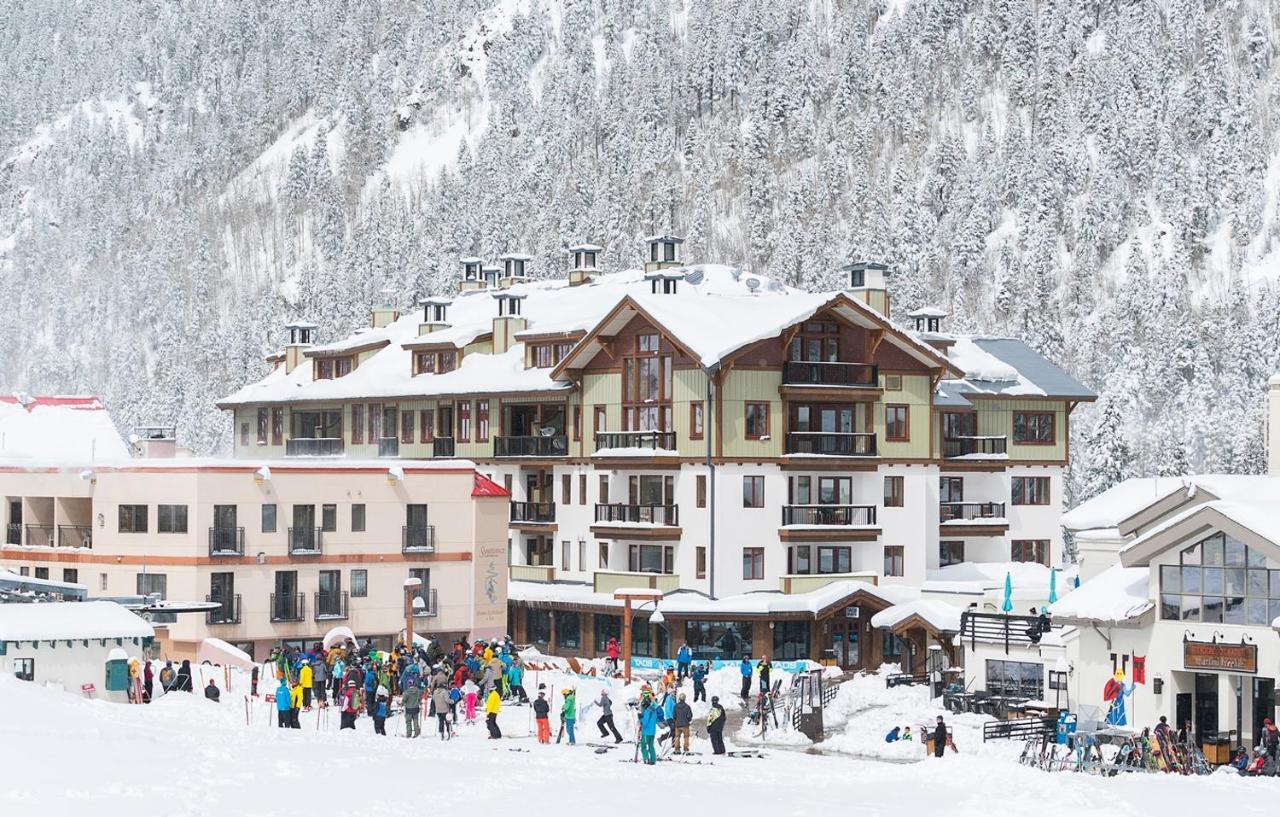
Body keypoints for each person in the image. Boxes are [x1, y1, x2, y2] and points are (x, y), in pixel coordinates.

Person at [639, 697, 662, 765]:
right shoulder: (654, 710)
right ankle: (653, 759)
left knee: (643, 746)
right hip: (652, 732)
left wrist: (640, 719)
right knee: (651, 746)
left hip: (646, 732)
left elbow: (645, 722)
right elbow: (655, 720)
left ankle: (646, 758)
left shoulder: (647, 711)